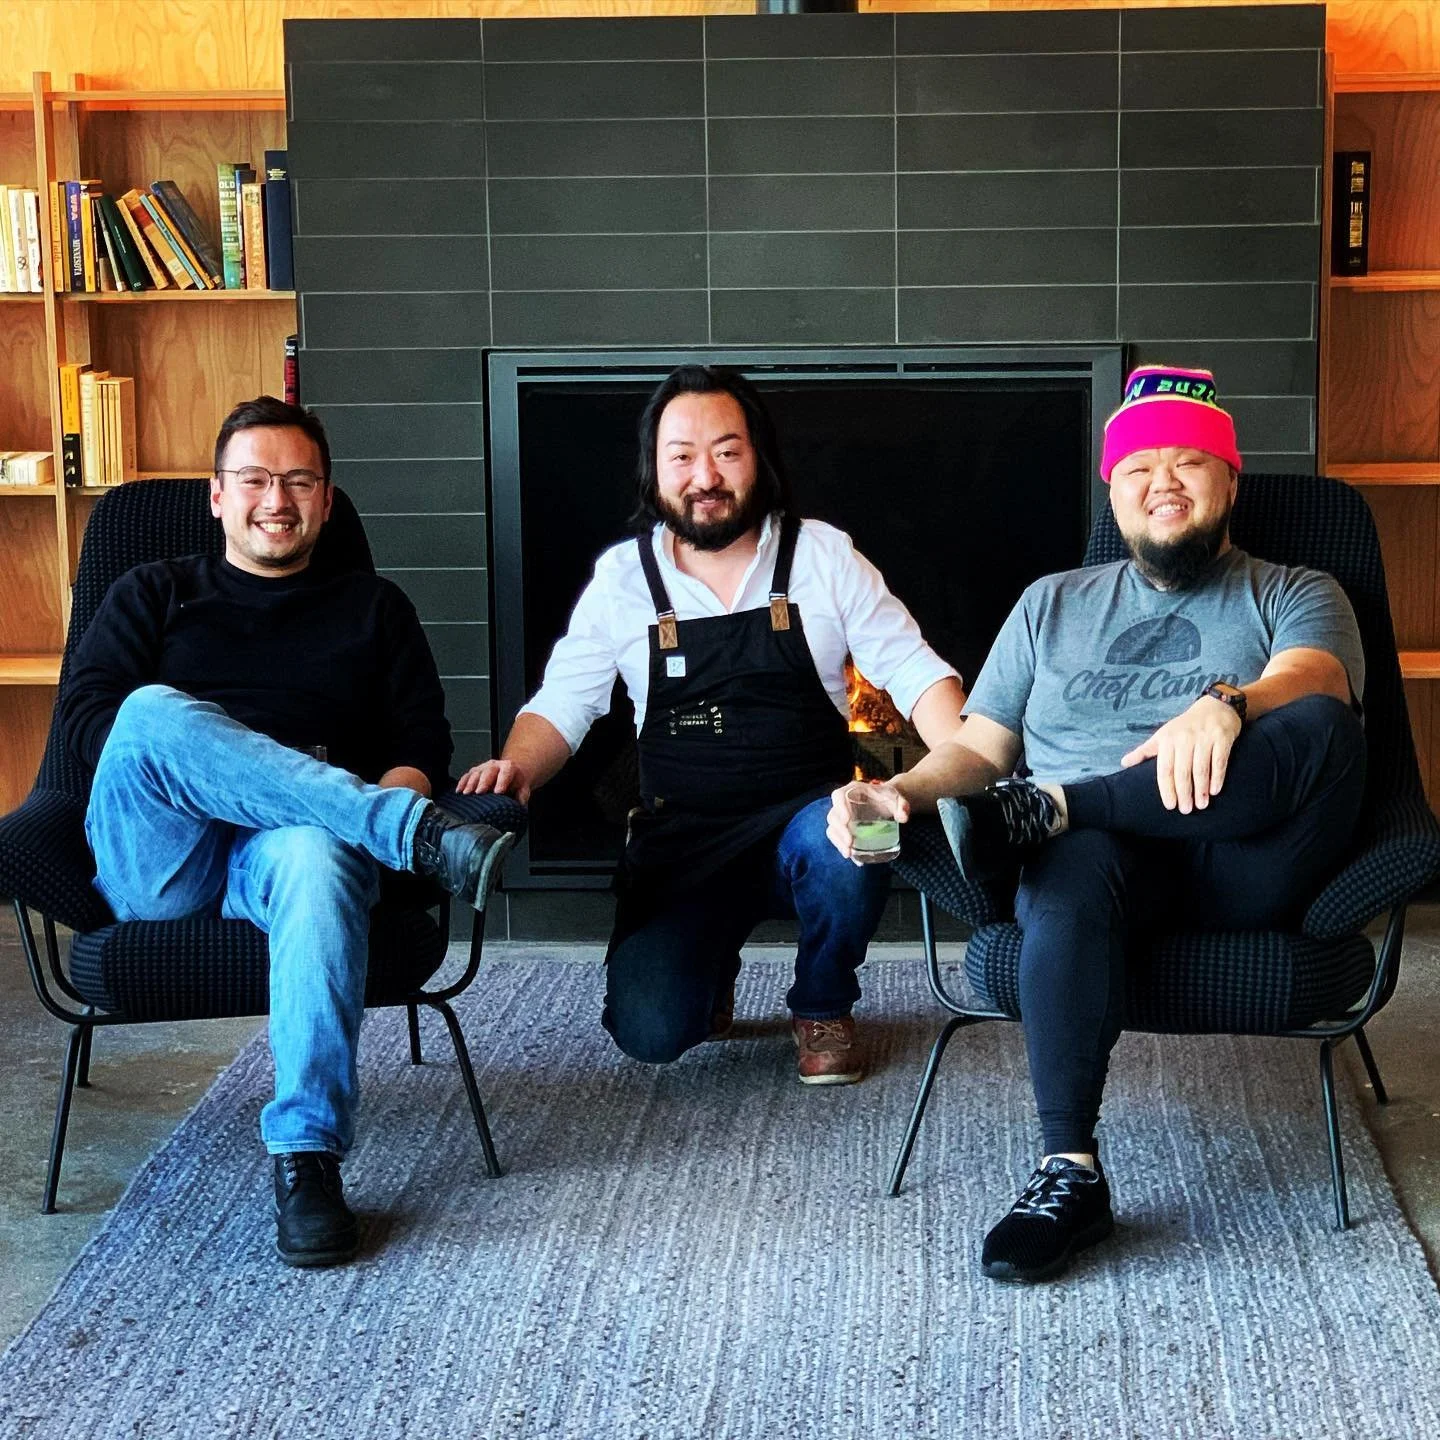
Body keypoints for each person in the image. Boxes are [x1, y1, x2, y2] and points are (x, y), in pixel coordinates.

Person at [827, 365, 1367, 1282]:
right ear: (1112, 493)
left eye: (1190, 462)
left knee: (1322, 727)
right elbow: (981, 747)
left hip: (1241, 862)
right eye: (1138, 468)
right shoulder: (1052, 603)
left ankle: (1060, 804)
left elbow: (1317, 678)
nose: (1164, 482)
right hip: (1097, 869)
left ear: (1231, 481)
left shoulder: (1294, 589)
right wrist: (903, 792)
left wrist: (1227, 704)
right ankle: (1067, 1172)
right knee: (1071, 859)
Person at [60, 396, 516, 1269]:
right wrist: (216, 756)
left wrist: (349, 796)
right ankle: (410, 835)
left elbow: (420, 744)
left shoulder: (374, 608)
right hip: (164, 856)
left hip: (283, 861)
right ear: (218, 495)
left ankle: (306, 1157)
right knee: (150, 711)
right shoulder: (152, 592)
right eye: (257, 479)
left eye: (299, 480)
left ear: (329, 498)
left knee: (315, 849)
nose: (279, 498)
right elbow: (87, 731)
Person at [458, 365, 965, 1083]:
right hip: (684, 839)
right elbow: (563, 704)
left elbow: (914, 671)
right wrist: (516, 766)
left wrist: (972, 758)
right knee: (651, 1034)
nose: (707, 475)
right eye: (683, 456)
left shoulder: (822, 554)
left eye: (727, 452)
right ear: (654, 469)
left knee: (873, 828)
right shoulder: (621, 579)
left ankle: (825, 1001)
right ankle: (706, 968)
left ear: (758, 457)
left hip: (812, 822)